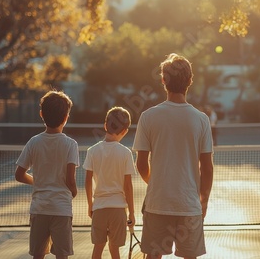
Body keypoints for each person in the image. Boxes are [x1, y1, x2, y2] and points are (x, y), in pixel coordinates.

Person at [133, 53, 214, 259]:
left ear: (163, 80)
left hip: (158, 203)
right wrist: (203, 201)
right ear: (190, 81)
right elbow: (207, 168)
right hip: (189, 205)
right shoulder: (202, 119)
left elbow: (141, 164)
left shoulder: (147, 117)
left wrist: (156, 183)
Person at [15, 90, 79, 259]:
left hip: (39, 208)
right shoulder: (71, 144)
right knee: (62, 255)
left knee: (38, 255)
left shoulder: (33, 142)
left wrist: (38, 182)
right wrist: (73, 192)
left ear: (41, 114)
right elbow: (70, 179)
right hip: (62, 209)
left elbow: (19, 174)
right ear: (66, 117)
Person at [83, 106, 136, 259]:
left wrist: (90, 205)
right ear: (125, 131)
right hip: (119, 210)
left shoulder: (92, 151)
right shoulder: (126, 153)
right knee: (115, 249)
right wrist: (131, 212)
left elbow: (87, 181)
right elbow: (128, 186)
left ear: (105, 125)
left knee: (98, 249)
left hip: (99, 208)